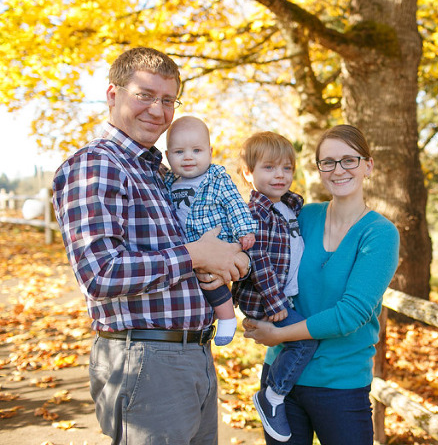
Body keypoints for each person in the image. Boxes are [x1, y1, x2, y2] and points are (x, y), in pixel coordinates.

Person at [52, 46, 250, 444]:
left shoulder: (161, 171)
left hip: (194, 353)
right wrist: (196, 254)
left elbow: (198, 246)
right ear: (113, 94)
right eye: (145, 95)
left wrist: (230, 258)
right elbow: (100, 273)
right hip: (146, 360)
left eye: (167, 100)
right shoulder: (98, 165)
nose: (157, 111)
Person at [242, 124, 400, 445]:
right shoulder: (302, 216)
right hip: (280, 382)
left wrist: (279, 334)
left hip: (339, 385)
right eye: (327, 162)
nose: (338, 170)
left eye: (349, 160)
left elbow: (350, 315)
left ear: (367, 165)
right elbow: (259, 256)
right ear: (319, 171)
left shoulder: (379, 234)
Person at [232, 131, 318, 442]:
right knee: (305, 342)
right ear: (248, 173)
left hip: (282, 297)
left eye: (286, 168)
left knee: (297, 340)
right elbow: (258, 261)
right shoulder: (254, 213)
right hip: (264, 298)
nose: (280, 175)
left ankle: (276, 392)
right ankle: (272, 397)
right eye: (269, 168)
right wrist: (276, 304)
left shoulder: (288, 207)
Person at [165, 116, 257, 346]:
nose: (188, 157)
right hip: (187, 248)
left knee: (213, 282)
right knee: (196, 283)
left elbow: (235, 204)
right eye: (179, 152)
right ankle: (210, 317)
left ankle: (227, 318)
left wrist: (244, 230)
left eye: (196, 150)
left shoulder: (216, 179)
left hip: (216, 242)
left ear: (209, 152)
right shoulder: (168, 182)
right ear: (167, 156)